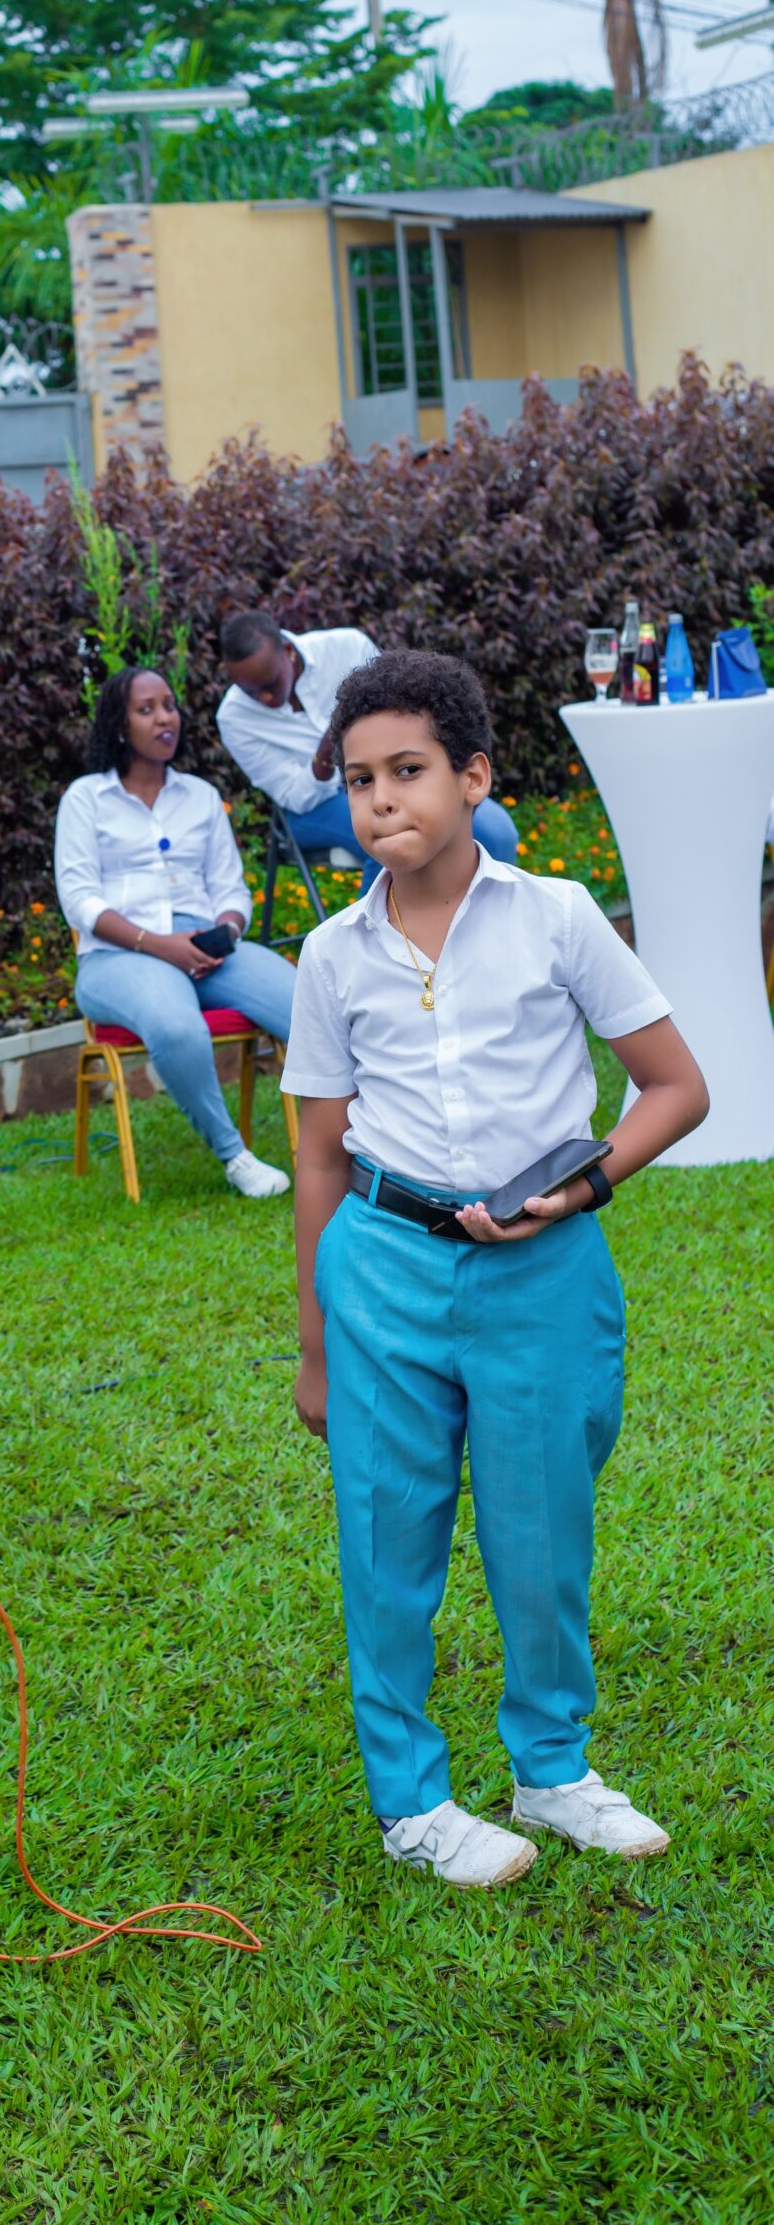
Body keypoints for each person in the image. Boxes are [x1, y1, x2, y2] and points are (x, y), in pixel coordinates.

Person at [281, 649, 708, 1889]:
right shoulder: (331, 955)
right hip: (382, 1272)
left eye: (408, 770)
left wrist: (586, 1183)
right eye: (360, 780)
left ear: (473, 777)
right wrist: (315, 1342)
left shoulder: (556, 917)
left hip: (544, 1275)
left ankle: (553, 1770)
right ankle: (411, 1801)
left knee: (542, 1530)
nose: (381, 800)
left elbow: (674, 1085)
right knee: (386, 1536)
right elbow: (318, 1154)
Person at [55, 665, 296, 1200]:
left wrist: (227, 930)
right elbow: (80, 900)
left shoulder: (200, 797)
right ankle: (235, 1156)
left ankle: (359, 1137)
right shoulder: (85, 799)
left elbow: (231, 889)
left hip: (207, 949)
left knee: (307, 1002)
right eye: (147, 710)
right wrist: (158, 945)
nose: (165, 718)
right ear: (119, 725)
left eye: (168, 705)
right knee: (177, 1026)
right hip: (118, 956)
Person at [216, 611, 520, 886]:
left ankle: (481, 915)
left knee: (496, 831)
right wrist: (328, 751)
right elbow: (294, 796)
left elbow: (401, 719)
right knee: (389, 839)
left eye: (271, 684)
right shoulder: (234, 717)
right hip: (313, 807)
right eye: (250, 691)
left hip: (395, 775)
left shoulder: (346, 647)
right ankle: (378, 930)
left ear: (288, 652)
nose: (265, 698)